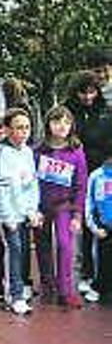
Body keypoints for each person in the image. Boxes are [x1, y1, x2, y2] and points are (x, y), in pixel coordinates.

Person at [0, 108, 42, 316]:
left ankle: (8, 285)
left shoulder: (28, 152)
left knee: (22, 249)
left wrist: (32, 210)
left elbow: (31, 184)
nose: (23, 132)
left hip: (23, 213)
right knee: (14, 249)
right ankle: (15, 295)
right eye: (19, 128)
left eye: (27, 128)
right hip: (6, 214)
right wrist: (6, 216)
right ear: (8, 130)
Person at [64, 71, 112, 301]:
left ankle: (98, 276)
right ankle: (83, 272)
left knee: (100, 223)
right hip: (75, 174)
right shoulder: (68, 112)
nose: (87, 97)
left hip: (101, 174)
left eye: (92, 92)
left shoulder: (105, 113)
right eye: (83, 92)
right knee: (79, 223)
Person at [34, 105, 87, 308]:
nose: (62, 126)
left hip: (65, 206)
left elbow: (80, 185)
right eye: (57, 121)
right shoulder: (38, 151)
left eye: (66, 122)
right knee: (42, 244)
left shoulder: (76, 152)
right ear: (48, 125)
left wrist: (77, 215)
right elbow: (31, 180)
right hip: (40, 205)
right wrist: (33, 208)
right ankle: (48, 283)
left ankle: (66, 290)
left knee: (65, 245)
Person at [85, 152, 112, 304]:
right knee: (102, 257)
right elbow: (90, 203)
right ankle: (98, 286)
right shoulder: (96, 176)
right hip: (104, 227)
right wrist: (94, 227)